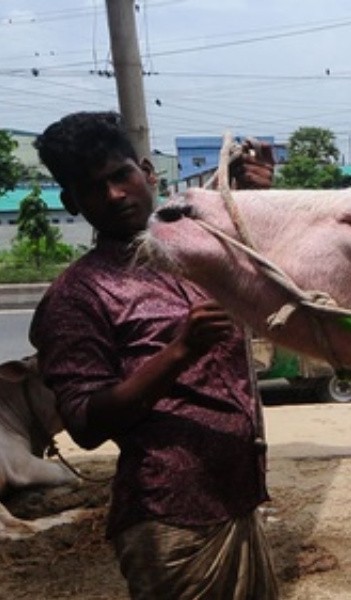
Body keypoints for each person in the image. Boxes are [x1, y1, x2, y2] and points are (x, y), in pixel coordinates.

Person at [29, 111, 279, 599]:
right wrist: (180, 351)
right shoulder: (78, 295)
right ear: (71, 202)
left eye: (121, 176)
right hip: (171, 522)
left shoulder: (191, 253)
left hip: (239, 502)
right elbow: (84, 422)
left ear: (147, 171)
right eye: (92, 188)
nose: (115, 195)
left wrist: (252, 193)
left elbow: (253, 257)